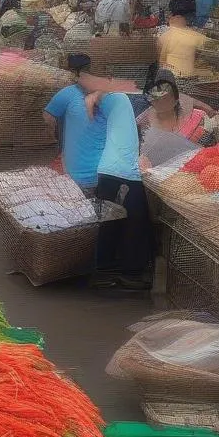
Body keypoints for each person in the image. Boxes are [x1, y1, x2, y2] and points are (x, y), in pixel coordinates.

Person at [86, 87, 153, 289]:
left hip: (108, 170)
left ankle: (105, 269)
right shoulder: (119, 99)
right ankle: (130, 273)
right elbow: (96, 94)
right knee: (136, 220)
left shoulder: (113, 111)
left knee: (109, 221)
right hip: (125, 173)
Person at [43, 54, 107, 192]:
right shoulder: (68, 94)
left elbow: (48, 117)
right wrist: (57, 135)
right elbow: (48, 116)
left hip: (104, 174)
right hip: (77, 176)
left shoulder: (110, 97)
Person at [137, 68, 208, 142]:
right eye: (154, 97)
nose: (159, 102)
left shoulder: (195, 119)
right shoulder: (143, 121)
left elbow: (208, 148)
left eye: (164, 97)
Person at [158, 0, 207, 78]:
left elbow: (160, 59)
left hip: (169, 79)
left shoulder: (164, 36)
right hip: (188, 79)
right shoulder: (198, 37)